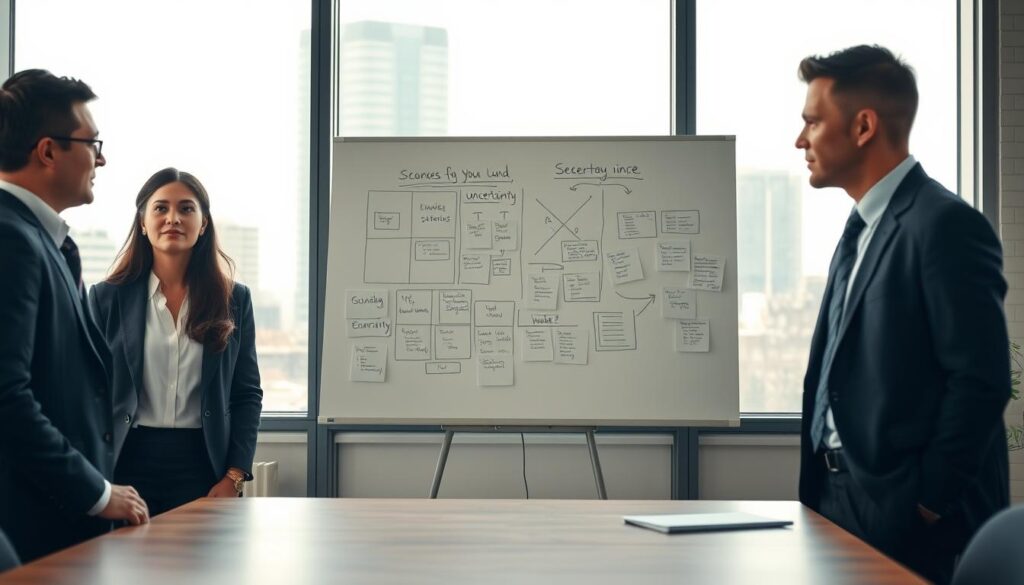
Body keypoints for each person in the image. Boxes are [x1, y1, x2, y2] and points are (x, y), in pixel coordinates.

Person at [795, 45, 1010, 583]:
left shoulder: (944, 225)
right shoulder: (860, 230)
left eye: (813, 122)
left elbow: (981, 380)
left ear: (863, 126)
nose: (801, 140)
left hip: (906, 509)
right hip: (836, 496)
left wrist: (929, 500)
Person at [0, 70, 149, 562]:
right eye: (92, 143)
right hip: (31, 530)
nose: (101, 158)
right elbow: (7, 399)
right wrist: (99, 493)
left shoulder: (43, 239)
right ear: (47, 151)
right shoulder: (11, 240)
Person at [89, 167, 263, 516]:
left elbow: (246, 394)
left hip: (204, 465)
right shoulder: (105, 298)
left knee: (199, 568)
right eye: (160, 208)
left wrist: (234, 476)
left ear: (203, 224)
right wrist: (94, 479)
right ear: (142, 222)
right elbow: (86, 392)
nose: (173, 218)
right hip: (125, 464)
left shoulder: (234, 299)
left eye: (186, 208)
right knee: (126, 567)